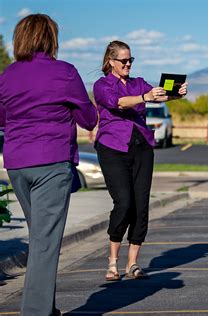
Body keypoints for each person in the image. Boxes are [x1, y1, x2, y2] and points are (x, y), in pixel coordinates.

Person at [0, 14, 98, 315]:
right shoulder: (64, 73)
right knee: (45, 245)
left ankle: (46, 308)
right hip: (51, 162)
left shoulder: (7, 75)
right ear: (51, 39)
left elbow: (2, 119)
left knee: (42, 239)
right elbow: (88, 118)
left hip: (17, 165)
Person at [93, 40, 187, 281]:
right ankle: (112, 261)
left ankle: (132, 263)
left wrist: (175, 94)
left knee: (141, 206)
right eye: (123, 61)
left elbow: (158, 96)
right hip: (112, 147)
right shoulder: (102, 85)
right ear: (110, 62)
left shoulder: (138, 82)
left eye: (130, 60)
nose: (127, 64)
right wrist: (144, 96)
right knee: (123, 202)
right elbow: (119, 103)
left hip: (142, 148)